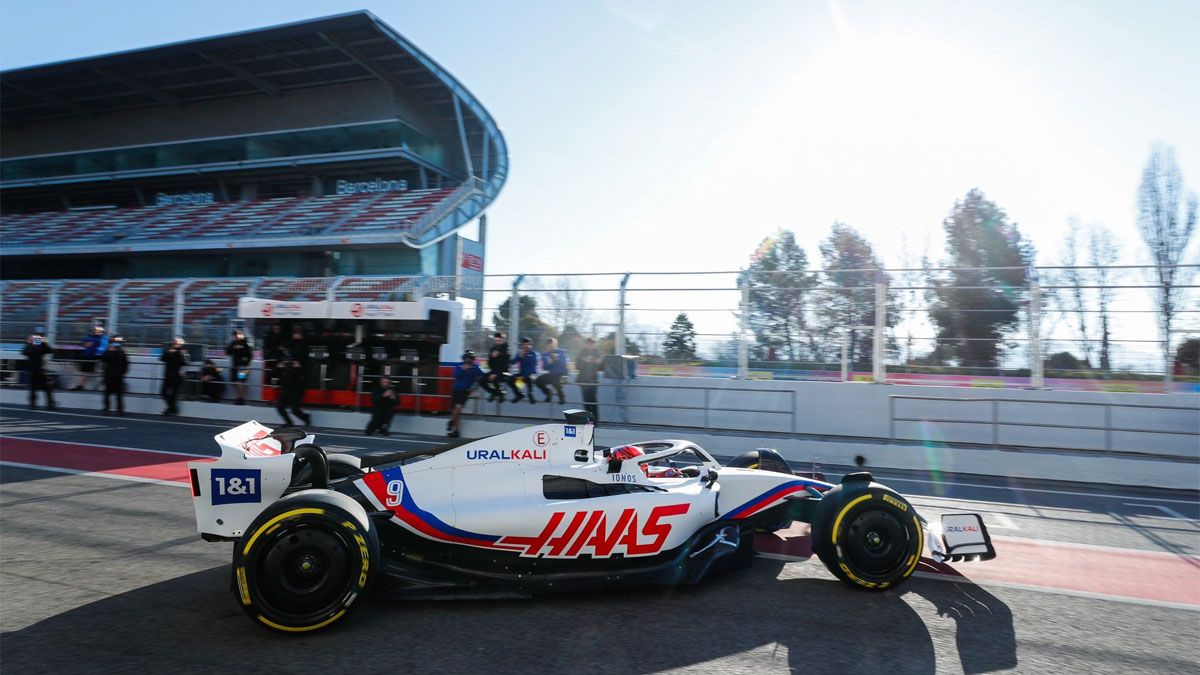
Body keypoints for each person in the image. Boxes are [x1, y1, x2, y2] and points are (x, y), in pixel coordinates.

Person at [448, 351, 485, 438]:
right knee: (455, 410)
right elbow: (456, 375)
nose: (468, 360)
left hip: (466, 391)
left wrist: (475, 386)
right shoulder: (458, 366)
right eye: (466, 358)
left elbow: (482, 375)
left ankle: (453, 426)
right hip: (456, 390)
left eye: (470, 358)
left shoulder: (475, 367)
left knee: (458, 408)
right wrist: (463, 369)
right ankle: (454, 428)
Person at [275, 351, 312, 427]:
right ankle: (289, 422)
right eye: (286, 359)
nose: (288, 361)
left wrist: (298, 368)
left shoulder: (298, 367)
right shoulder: (282, 367)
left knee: (294, 410)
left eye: (289, 359)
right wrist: (278, 368)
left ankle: (306, 417)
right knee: (280, 407)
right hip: (285, 390)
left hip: (296, 390)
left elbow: (302, 375)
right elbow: (273, 375)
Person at [22, 334, 56, 410]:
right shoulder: (30, 347)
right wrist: (31, 344)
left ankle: (49, 404)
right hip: (34, 370)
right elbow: (24, 352)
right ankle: (34, 404)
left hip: (39, 370)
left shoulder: (41, 346)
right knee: (34, 388)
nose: (35, 340)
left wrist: (44, 343)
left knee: (46, 388)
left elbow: (50, 351)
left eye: (37, 339)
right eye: (33, 339)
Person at [100, 336, 129, 415]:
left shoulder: (121, 352)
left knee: (117, 393)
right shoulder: (110, 351)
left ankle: (118, 410)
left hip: (116, 375)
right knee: (108, 393)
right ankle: (107, 409)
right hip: (110, 375)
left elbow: (125, 364)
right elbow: (103, 359)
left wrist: (122, 372)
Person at [536, 337, 569, 405]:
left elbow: (565, 364)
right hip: (552, 374)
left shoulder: (562, 352)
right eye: (549, 346)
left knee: (555, 378)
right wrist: (549, 362)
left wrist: (557, 359)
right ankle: (549, 393)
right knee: (538, 380)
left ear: (556, 344)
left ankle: (561, 395)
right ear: (546, 346)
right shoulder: (545, 354)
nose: (550, 347)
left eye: (552, 345)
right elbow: (544, 368)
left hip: (561, 374)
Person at [75, 326, 109, 390]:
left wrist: (90, 344)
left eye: (99, 331)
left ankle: (81, 385)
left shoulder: (102, 338)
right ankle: (80, 385)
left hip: (94, 356)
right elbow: (83, 344)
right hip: (87, 356)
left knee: (88, 372)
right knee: (85, 371)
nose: (96, 332)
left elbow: (102, 347)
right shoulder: (90, 337)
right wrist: (88, 344)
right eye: (95, 331)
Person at [160, 337, 188, 416]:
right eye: (173, 343)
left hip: (177, 376)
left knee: (174, 395)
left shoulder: (183, 352)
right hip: (168, 375)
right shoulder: (169, 351)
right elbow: (162, 358)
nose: (173, 344)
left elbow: (185, 362)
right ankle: (173, 408)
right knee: (163, 393)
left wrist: (175, 353)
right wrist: (169, 352)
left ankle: (169, 410)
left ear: (180, 344)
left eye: (175, 343)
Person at [576, 337, 601, 421]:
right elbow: (577, 366)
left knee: (593, 401)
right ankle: (588, 420)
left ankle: (595, 420)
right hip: (584, 381)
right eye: (588, 344)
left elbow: (601, 367)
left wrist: (598, 362)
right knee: (586, 401)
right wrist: (585, 360)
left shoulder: (596, 352)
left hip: (593, 381)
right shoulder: (581, 352)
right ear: (585, 344)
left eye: (592, 344)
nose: (590, 346)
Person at [481, 332, 511, 402]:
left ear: (503, 340)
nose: (497, 343)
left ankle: (499, 394)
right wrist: (492, 357)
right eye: (496, 341)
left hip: (504, 372)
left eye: (499, 341)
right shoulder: (493, 349)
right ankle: (496, 393)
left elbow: (505, 365)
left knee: (495, 378)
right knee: (481, 381)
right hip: (493, 371)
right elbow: (489, 363)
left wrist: (495, 373)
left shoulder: (506, 350)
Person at [510, 338, 540, 404]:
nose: (526, 346)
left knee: (529, 378)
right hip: (522, 375)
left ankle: (530, 395)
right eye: (524, 344)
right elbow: (512, 362)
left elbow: (532, 364)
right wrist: (519, 356)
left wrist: (524, 356)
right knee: (510, 379)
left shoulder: (534, 353)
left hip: (532, 375)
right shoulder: (520, 353)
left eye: (527, 344)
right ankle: (519, 395)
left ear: (531, 345)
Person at [227, 329, 252, 405]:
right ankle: (240, 397)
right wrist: (234, 347)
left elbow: (249, 355)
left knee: (241, 381)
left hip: (243, 367)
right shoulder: (233, 343)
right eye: (235, 335)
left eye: (237, 335)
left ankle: (241, 398)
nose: (235, 336)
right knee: (235, 381)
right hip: (236, 366)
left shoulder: (244, 343)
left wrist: (245, 362)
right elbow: (228, 352)